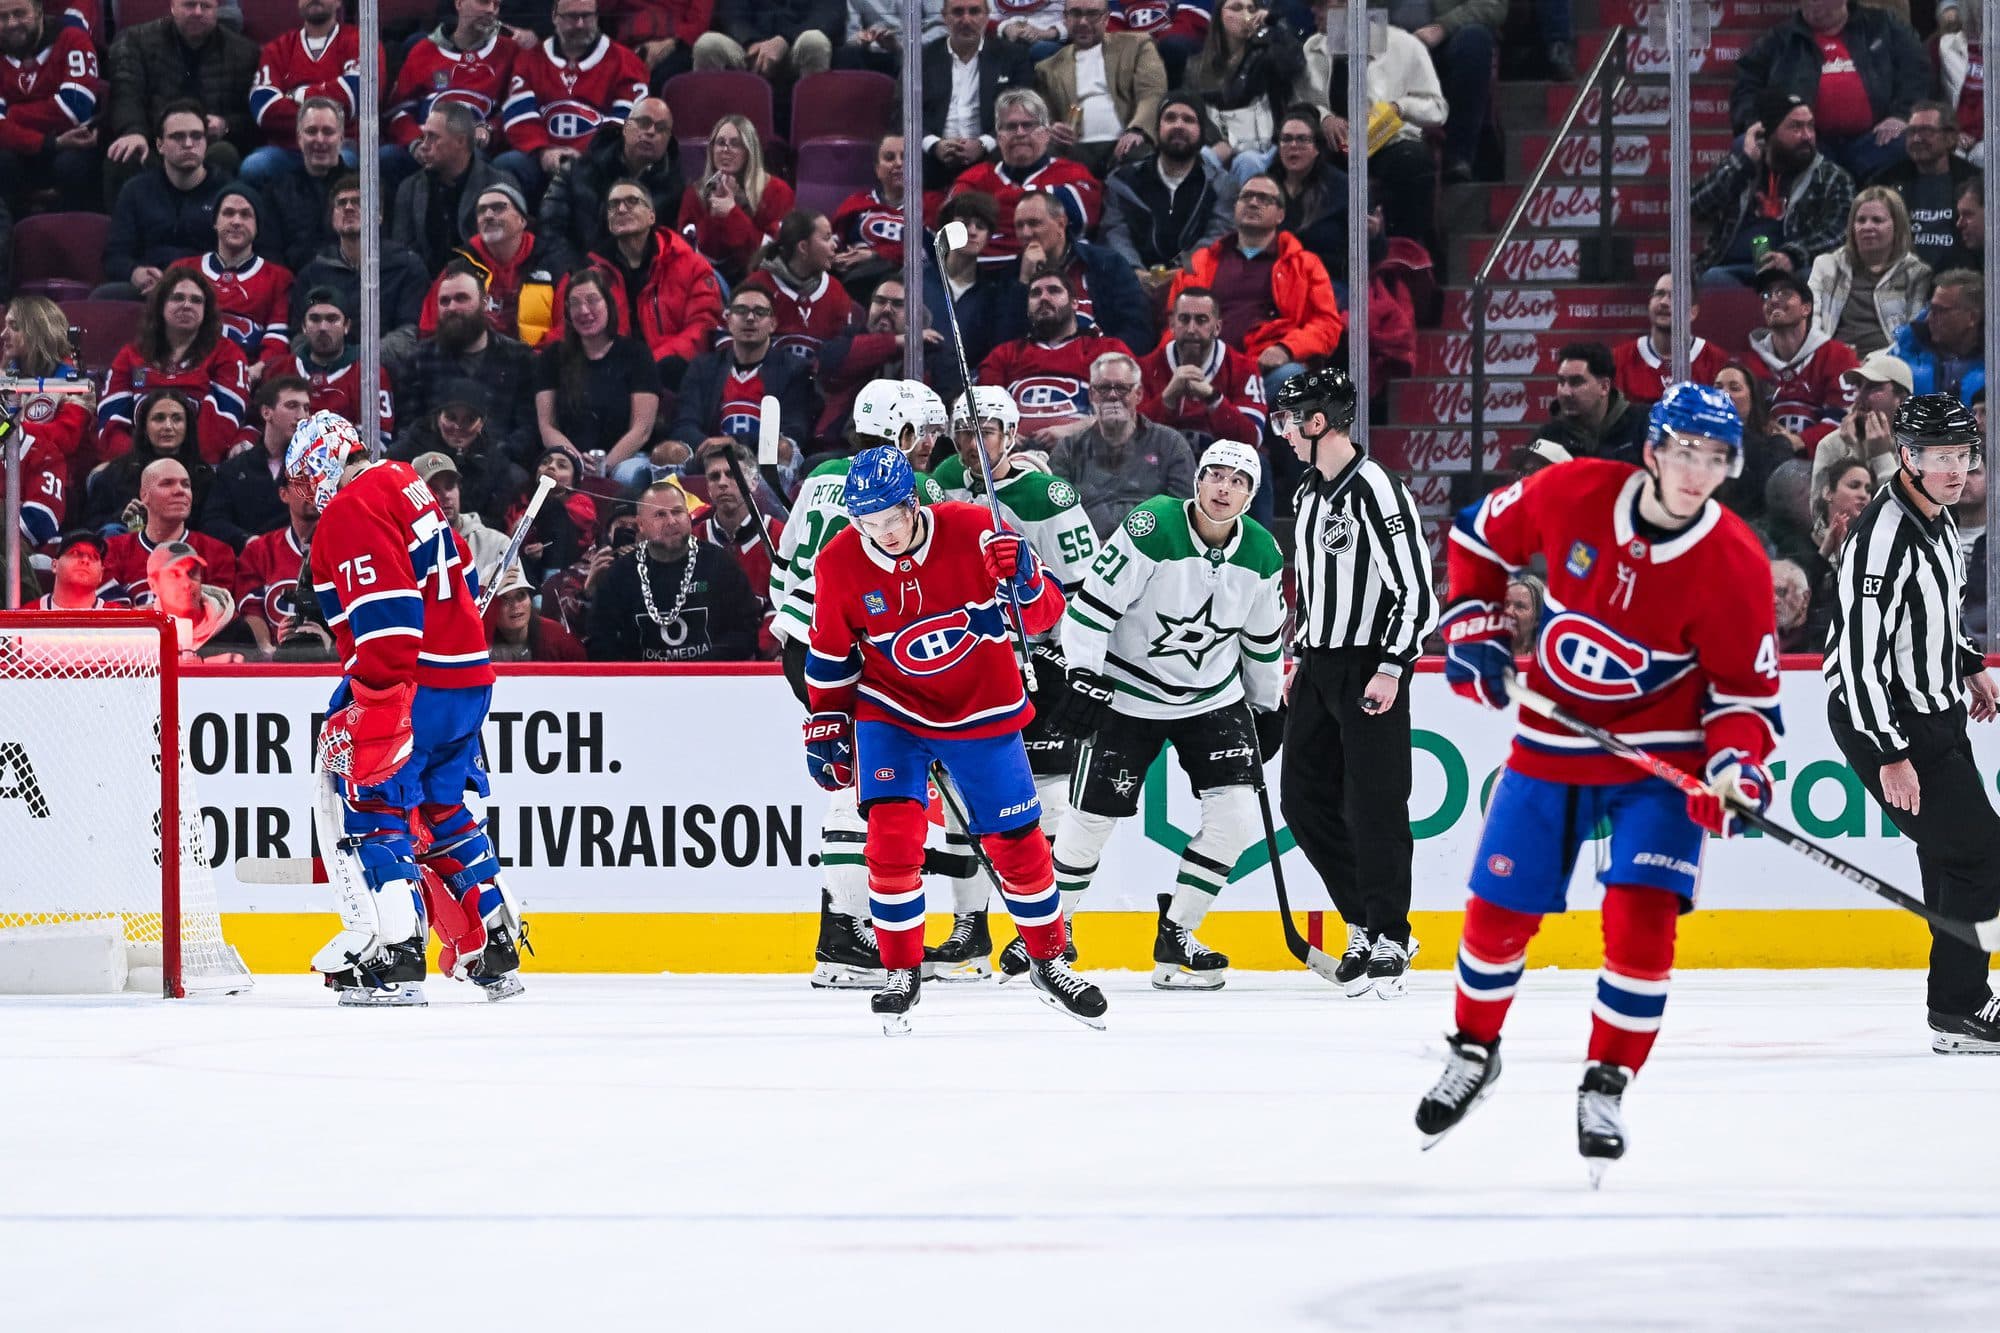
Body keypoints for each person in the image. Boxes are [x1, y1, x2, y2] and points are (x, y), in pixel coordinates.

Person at [1426, 381, 1783, 1179]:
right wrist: (1475, 624)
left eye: (1716, 457)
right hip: (1554, 736)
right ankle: (1475, 1050)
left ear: (1730, 468)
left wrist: (1734, 768)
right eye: (1685, 451)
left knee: (1642, 924)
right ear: (1653, 449)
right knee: (1495, 915)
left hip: (1661, 764)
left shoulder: (1736, 563)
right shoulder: (1573, 489)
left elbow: (1745, 700)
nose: (1697, 471)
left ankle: (1607, 1081)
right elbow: (1478, 540)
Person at [800, 443, 1108, 1030]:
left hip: (982, 706)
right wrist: (827, 723)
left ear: (913, 504)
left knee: (1018, 844)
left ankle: (1048, 960)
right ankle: (900, 969)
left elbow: (1043, 616)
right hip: (891, 711)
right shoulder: (839, 561)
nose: (883, 533)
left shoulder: (972, 527)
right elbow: (831, 656)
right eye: (869, 521)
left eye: (892, 517)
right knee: (891, 844)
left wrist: (1021, 575)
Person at [284, 409, 525, 1006]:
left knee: (373, 807)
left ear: (321, 459)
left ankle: (396, 953)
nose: (303, 492)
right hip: (468, 678)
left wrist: (370, 698)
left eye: (302, 475)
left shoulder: (347, 510)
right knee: (443, 809)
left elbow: (388, 618)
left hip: (413, 683)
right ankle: (494, 942)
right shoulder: (402, 480)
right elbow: (462, 572)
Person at [1043, 439, 1285, 989]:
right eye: (1215, 476)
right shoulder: (1153, 526)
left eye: (1238, 481)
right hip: (1129, 695)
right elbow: (1091, 608)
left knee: (1236, 820)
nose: (1224, 488)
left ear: (1250, 495)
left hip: (1213, 699)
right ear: (1197, 481)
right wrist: (1082, 671)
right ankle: (1050, 936)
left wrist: (1268, 703)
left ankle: (1177, 935)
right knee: (1089, 822)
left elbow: (1263, 642)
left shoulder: (1264, 554)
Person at [1824, 394, 2000, 1053]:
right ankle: (1959, 1007)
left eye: (1964, 456)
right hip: (1888, 720)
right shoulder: (1880, 537)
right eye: (1941, 457)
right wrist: (1891, 752)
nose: (1957, 470)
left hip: (1934, 708)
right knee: (1982, 851)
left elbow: (1931, 615)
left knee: (1955, 856)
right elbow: (1861, 657)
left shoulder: (1936, 515)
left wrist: (1967, 662)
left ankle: (1960, 1002)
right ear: (1907, 457)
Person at [770, 380, 949, 988]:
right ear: (899, 432)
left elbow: (780, 574)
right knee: (861, 783)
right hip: (859, 651)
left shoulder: (820, 480)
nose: (924, 446)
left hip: (807, 644)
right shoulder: (910, 489)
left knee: (855, 774)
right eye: (917, 434)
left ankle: (844, 927)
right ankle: (843, 934)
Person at [1275, 367, 1436, 999]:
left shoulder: (1378, 490)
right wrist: (1298, 657)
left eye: (1290, 420)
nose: (1283, 432)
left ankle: (1391, 932)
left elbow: (1418, 593)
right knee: (1303, 802)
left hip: (1372, 663)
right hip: (1317, 666)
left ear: (1319, 422)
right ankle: (1365, 921)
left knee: (1375, 803)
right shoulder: (1308, 493)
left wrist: (1394, 666)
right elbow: (1310, 592)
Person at [1165, 173, 1346, 403]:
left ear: (1280, 214)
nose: (1253, 203)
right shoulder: (1200, 263)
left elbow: (1327, 324)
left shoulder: (1304, 264)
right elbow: (1172, 323)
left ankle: (1232, 418)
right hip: (1204, 369)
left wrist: (1286, 349)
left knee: (1291, 377)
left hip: (1263, 374)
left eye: (1263, 198)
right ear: (1235, 208)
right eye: (1246, 197)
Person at [1730, 0, 1929, 183]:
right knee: (1746, 145)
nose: (1814, 10)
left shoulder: (1883, 26)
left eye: (1822, 4)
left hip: (1873, 140)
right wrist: (1756, 124)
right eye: (1808, 4)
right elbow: (1746, 87)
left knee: (1908, 141)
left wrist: (1902, 116)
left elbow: (1918, 72)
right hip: (1810, 143)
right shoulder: (1779, 39)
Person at [553, 176, 723, 387]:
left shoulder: (691, 266)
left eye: (632, 201)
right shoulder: (584, 273)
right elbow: (563, 332)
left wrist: (646, 364)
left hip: (669, 375)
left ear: (651, 216)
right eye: (613, 205)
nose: (621, 209)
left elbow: (702, 329)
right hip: (606, 379)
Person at [1301, 2, 1447, 243]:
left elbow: (1437, 109)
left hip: (1389, 142)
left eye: (1323, 6)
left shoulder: (1405, 45)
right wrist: (1324, 116)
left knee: (1414, 161)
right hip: (1334, 144)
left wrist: (1400, 107)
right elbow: (1302, 102)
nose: (1313, 12)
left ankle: (1406, 248)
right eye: (1314, 5)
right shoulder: (1312, 47)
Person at [586, 478, 762, 660]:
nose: (671, 521)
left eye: (677, 512)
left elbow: (745, 631)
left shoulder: (720, 563)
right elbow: (601, 640)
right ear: (641, 524)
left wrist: (700, 671)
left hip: (711, 680)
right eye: (660, 515)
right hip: (642, 684)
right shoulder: (620, 574)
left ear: (688, 515)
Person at [1692, 90, 1854, 289]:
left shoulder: (1831, 177)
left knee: (1812, 277)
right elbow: (1696, 207)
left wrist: (1792, 255)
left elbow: (1840, 234)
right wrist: (1743, 165)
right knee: (1713, 279)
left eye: (1810, 126)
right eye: (1795, 127)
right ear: (1768, 133)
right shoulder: (1741, 167)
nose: (1807, 136)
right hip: (1734, 269)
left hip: (1793, 272)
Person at [101, 0, 258, 201]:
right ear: (173, 6)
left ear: (217, 10)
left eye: (206, 6)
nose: (198, 12)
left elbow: (252, 117)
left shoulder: (245, 52)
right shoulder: (136, 40)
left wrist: (225, 125)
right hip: (153, 141)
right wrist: (134, 132)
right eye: (190, 5)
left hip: (209, 146)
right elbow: (126, 94)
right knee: (125, 154)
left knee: (224, 154)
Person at [495, 0, 649, 198]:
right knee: (507, 165)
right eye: (571, 17)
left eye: (586, 16)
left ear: (597, 17)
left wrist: (586, 154)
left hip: (598, 162)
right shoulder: (529, 59)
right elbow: (519, 114)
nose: (580, 24)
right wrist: (543, 151)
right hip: (542, 159)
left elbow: (627, 121)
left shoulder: (626, 62)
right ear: (554, 18)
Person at [97, 269, 252, 464]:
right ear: (160, 305)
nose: (187, 305)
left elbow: (222, 425)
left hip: (199, 466)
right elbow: (112, 421)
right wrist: (137, 463)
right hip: (135, 463)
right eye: (177, 298)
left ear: (207, 310)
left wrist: (180, 465)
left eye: (196, 300)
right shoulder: (131, 355)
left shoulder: (227, 354)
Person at [661, 285, 813, 483]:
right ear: (728, 320)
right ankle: (677, 510)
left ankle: (776, 511)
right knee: (665, 452)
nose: (750, 318)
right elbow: (684, 423)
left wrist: (735, 443)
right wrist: (712, 448)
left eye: (760, 312)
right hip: (709, 456)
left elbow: (795, 430)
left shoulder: (794, 368)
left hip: (760, 455)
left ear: (773, 324)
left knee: (782, 448)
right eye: (741, 311)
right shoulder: (703, 366)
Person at [397, 263, 541, 465]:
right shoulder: (419, 360)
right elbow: (408, 430)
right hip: (435, 471)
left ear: (484, 303)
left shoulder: (520, 358)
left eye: (461, 298)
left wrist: (485, 462)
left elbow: (528, 431)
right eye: (444, 301)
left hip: (502, 473)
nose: (452, 307)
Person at [1045, 351, 1198, 538]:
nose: (1112, 395)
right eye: (1103, 388)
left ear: (1138, 394)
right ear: (1092, 395)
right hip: (1088, 553)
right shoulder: (1067, 449)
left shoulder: (1171, 444)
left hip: (1152, 552)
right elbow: (1056, 514)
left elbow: (1183, 512)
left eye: (1121, 388)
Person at [948, 89, 1104, 271]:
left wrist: (993, 210)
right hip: (984, 278)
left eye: (1028, 125)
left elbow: (1081, 222)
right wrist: (1042, 208)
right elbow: (955, 230)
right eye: (1011, 127)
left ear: (1046, 134)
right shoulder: (973, 178)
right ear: (999, 137)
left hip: (1055, 275)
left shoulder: (1074, 173)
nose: (1020, 133)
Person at [98, 101, 237, 299]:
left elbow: (238, 256)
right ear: (159, 145)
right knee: (105, 296)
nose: (189, 144)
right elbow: (115, 255)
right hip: (151, 286)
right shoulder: (136, 190)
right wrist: (135, 273)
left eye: (196, 136)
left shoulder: (228, 192)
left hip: (206, 288)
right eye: (178, 137)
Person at [242, 0, 382, 192]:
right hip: (286, 148)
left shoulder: (362, 41)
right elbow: (265, 110)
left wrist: (299, 94)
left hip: (340, 146)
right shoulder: (278, 49)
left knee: (345, 163)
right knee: (254, 167)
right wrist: (331, 97)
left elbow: (358, 94)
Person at [978, 271, 1136, 441]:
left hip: (1088, 452)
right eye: (1035, 293)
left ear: (1075, 303)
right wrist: (1004, 436)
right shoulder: (1004, 354)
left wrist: (1073, 431)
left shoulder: (1108, 350)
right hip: (1015, 458)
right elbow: (981, 415)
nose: (1044, 298)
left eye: (1054, 290)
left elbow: (1131, 411)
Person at [533, 266, 662, 475]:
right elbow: (547, 426)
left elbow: (642, 429)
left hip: (625, 460)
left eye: (592, 300)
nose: (584, 310)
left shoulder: (636, 354)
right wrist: (575, 464)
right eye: (575, 303)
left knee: (628, 475)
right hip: (568, 459)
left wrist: (603, 466)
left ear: (609, 304)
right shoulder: (552, 357)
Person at [536, 95, 685, 270]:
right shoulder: (575, 172)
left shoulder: (675, 189)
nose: (651, 132)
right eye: (644, 123)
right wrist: (578, 279)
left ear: (668, 139)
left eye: (661, 128)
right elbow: (550, 233)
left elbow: (673, 251)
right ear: (625, 127)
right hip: (578, 279)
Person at [1101, 93, 1236, 284]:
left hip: (1195, 283)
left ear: (1201, 133)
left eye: (1188, 120)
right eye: (1170, 118)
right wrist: (1135, 273)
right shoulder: (1123, 181)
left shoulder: (1221, 185)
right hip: (1132, 283)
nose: (1179, 125)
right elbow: (1114, 234)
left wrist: (1180, 273)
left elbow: (1217, 239)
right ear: (1157, 129)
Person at [168, 182, 297, 382]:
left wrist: (256, 371)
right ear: (215, 222)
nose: (236, 221)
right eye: (228, 213)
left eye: (246, 215)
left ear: (257, 226)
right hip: (187, 369)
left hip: (248, 375)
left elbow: (276, 339)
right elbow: (160, 327)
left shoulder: (279, 278)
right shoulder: (182, 269)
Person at [383, 0, 516, 189]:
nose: (491, 10)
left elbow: (515, 110)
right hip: (425, 142)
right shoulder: (423, 51)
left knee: (475, 159)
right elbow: (398, 112)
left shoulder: (509, 51)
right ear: (459, 3)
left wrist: (488, 129)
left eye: (497, 5)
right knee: (387, 157)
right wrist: (415, 142)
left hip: (474, 150)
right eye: (484, 2)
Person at [1002, 187, 1152, 352]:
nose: (1026, 233)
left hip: (1098, 367)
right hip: (1035, 370)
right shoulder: (1010, 275)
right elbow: (1005, 343)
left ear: (1061, 223)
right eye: (1019, 226)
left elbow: (1138, 330)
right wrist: (1024, 283)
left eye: (1034, 223)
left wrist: (1100, 359)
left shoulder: (1107, 263)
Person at [414, 182, 558, 348]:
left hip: (535, 367)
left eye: (498, 207)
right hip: (468, 367)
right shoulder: (457, 270)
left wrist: (533, 362)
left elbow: (565, 332)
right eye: (481, 210)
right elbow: (428, 329)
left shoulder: (552, 264)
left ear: (522, 220)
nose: (488, 215)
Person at [1032, 0, 1164, 175]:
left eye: (1092, 14)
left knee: (1139, 161)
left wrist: (1138, 130)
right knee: (1043, 156)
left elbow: (1152, 92)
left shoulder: (1137, 45)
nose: (1083, 22)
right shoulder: (1048, 67)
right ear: (1065, 18)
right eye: (1075, 14)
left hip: (1127, 141)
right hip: (1074, 147)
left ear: (1106, 18)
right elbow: (1044, 116)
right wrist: (1052, 127)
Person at [293, 175, 433, 339]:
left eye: (359, 201)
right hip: (327, 362)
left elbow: (409, 335)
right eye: (341, 203)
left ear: (379, 214)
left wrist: (356, 361)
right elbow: (299, 335)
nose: (349, 207)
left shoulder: (407, 266)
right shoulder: (314, 272)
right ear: (332, 218)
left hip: (385, 363)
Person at [916, 0, 1034, 188]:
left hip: (992, 157)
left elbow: (1026, 112)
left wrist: (984, 143)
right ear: (944, 17)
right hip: (932, 159)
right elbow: (903, 114)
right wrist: (933, 145)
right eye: (957, 12)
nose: (966, 19)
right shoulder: (922, 58)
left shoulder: (1012, 56)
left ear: (987, 16)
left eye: (974, 11)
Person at [390, 104, 518, 275]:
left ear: (460, 141)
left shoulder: (500, 185)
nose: (424, 145)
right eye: (424, 136)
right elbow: (403, 257)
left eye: (433, 137)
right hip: (427, 290)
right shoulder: (410, 189)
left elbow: (510, 254)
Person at [0, 0, 103, 213]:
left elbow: (74, 108)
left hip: (75, 143)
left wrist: (12, 114)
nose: (11, 24)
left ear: (38, 11)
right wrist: (51, 142)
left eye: (20, 13)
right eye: (2, 17)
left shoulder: (72, 38)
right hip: (40, 144)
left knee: (72, 167)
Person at [1185, 0, 1306, 180]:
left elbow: (1294, 63)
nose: (1246, 14)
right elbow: (1192, 108)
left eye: (1251, 9)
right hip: (1216, 145)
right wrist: (1217, 141)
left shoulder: (1266, 56)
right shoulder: (1196, 66)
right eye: (1236, 8)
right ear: (1219, 16)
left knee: (1247, 161)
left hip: (1261, 145)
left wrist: (1275, 26)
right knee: (1203, 158)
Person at [1806, 186, 1933, 358]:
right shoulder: (1826, 265)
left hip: (1890, 362)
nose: (1867, 226)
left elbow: (1912, 336)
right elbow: (1811, 321)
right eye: (1861, 220)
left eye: (1877, 220)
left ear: (1897, 226)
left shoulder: (1916, 273)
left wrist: (1875, 363)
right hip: (1833, 359)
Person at [1137, 287, 1268, 450]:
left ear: (1217, 327)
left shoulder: (1243, 368)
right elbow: (1132, 439)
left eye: (1201, 320)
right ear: (1172, 325)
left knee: (1260, 464)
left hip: (1224, 464)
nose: (1191, 329)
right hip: (1163, 463)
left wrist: (1213, 398)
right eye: (1184, 319)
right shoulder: (1145, 368)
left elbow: (1252, 439)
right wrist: (1167, 399)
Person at [675, 114, 794, 287]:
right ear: (711, 149)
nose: (726, 149)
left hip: (765, 282)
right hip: (708, 283)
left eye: (735, 144)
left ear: (750, 150)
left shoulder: (778, 191)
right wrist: (716, 215)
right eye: (720, 143)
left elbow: (773, 257)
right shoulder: (695, 194)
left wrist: (732, 214)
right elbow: (692, 257)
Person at [102, 457, 238, 604]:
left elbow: (213, 617)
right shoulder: (111, 550)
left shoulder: (218, 553)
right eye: (167, 483)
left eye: (186, 485)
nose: (180, 491)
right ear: (144, 495)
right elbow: (113, 617)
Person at [1392, 0, 1499, 184]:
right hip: (1386, 43)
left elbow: (1491, 5)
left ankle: (1458, 158)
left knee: (1474, 39)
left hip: (1445, 41)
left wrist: (1442, 27)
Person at [1747, 268, 1862, 439]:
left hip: (1824, 460)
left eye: (1784, 293)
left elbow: (1845, 422)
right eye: (1767, 296)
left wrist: (1799, 442)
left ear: (1806, 309)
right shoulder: (1751, 362)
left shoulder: (1839, 356)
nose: (1773, 300)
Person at [203, 374, 311, 549]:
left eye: (306, 408)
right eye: (292, 406)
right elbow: (213, 521)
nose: (302, 416)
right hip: (248, 565)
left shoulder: (317, 468)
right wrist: (247, 540)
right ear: (266, 412)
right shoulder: (234, 469)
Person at [1871, 101, 1977, 275]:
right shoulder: (1886, 181)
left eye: (1926, 131)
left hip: (1957, 284)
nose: (1916, 139)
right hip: (1900, 281)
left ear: (1950, 137)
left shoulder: (1975, 182)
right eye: (1911, 132)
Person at [86, 387, 214, 530]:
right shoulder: (117, 472)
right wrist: (125, 519)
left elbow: (211, 524)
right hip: (128, 546)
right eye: (159, 418)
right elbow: (92, 525)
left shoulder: (203, 475)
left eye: (177, 419)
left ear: (187, 427)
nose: (168, 426)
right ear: (144, 427)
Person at [830, 133, 940, 294]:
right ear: (877, 169)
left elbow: (929, 252)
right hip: (859, 281)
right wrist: (836, 259)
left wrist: (875, 256)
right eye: (889, 158)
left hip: (912, 285)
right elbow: (833, 241)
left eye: (905, 157)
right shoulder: (857, 202)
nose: (898, 164)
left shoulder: (931, 204)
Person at [743, 209, 855, 365]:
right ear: (803, 247)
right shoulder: (756, 287)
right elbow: (732, 346)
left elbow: (844, 357)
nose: (834, 245)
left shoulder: (836, 292)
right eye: (827, 238)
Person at [284, 287, 398, 441]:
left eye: (332, 319)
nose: (323, 327)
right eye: (315, 319)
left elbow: (380, 438)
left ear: (347, 326)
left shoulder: (368, 372)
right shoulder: (282, 370)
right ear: (304, 326)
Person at [233, 466, 318, 655]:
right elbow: (251, 609)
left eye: (320, 482)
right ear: (283, 494)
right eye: (303, 484)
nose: (314, 490)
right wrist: (267, 650)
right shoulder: (260, 551)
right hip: (277, 663)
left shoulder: (346, 546)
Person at [1614, 273, 1733, 407]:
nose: (1664, 302)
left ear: (1693, 312)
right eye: (1659, 294)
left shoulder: (1717, 361)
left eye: (1675, 296)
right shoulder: (1619, 359)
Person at [263, 97, 351, 271]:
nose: (319, 139)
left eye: (328, 132)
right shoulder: (276, 191)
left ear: (341, 138)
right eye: (311, 131)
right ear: (299, 138)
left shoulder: (364, 189)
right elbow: (271, 254)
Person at [1810, 349, 1913, 485]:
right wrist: (1852, 451)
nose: (1859, 396)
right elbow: (1821, 505)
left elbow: (1902, 505)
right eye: (1858, 386)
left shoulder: (1920, 448)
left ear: (1901, 400)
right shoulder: (1830, 445)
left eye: (1874, 387)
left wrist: (1881, 456)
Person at [415, 450, 510, 585]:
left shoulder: (497, 544)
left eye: (450, 486)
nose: (446, 495)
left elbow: (518, 601)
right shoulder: (410, 551)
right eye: (434, 489)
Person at [1542, 341, 1648, 463]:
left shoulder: (1643, 425)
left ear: (1604, 387)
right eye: (1561, 382)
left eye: (1576, 382)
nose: (1566, 392)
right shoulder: (1546, 437)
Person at [691, 0, 838, 88]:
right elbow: (730, 14)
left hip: (795, 48)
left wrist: (785, 39)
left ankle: (814, 130)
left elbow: (828, 16)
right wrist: (750, 41)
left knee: (815, 40)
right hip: (749, 50)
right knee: (707, 44)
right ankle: (710, 131)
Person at [1891, 268, 1986, 402]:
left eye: (1940, 311)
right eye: (1931, 308)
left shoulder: (1992, 371)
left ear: (1972, 317)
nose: (1928, 319)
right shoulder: (1908, 348)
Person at [147, 538, 238, 657]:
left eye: (192, 572)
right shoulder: (143, 634)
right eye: (174, 574)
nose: (187, 583)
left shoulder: (236, 629)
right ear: (153, 585)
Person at [483, 563, 586, 660]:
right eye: (503, 599)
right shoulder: (481, 639)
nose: (515, 605)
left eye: (521, 595)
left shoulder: (557, 637)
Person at [34, 530, 128, 609]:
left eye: (94, 556)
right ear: (55, 565)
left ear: (101, 574)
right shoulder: (28, 614)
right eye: (75, 553)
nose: (85, 560)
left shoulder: (121, 620)